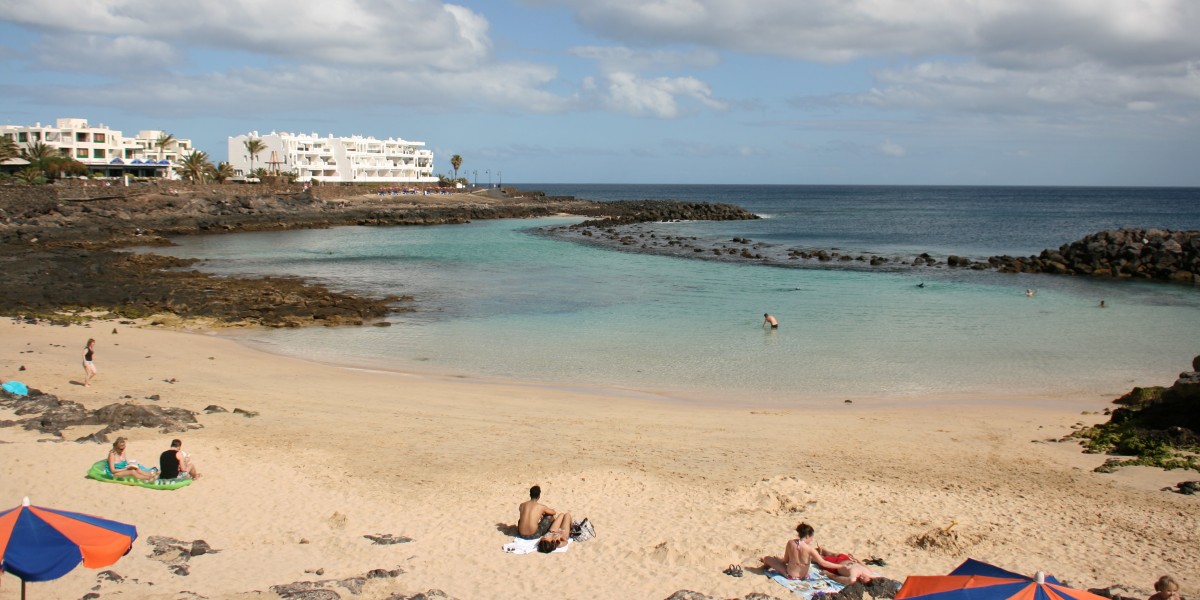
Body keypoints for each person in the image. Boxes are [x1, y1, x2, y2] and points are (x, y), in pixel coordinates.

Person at [760, 522, 875, 585]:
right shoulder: (810, 549)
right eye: (811, 538)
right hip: (804, 576)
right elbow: (823, 563)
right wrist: (840, 566)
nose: (811, 540)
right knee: (779, 562)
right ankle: (769, 563)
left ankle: (765, 564)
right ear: (807, 536)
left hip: (791, 575)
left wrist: (779, 560)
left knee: (768, 558)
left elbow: (785, 560)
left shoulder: (790, 543)